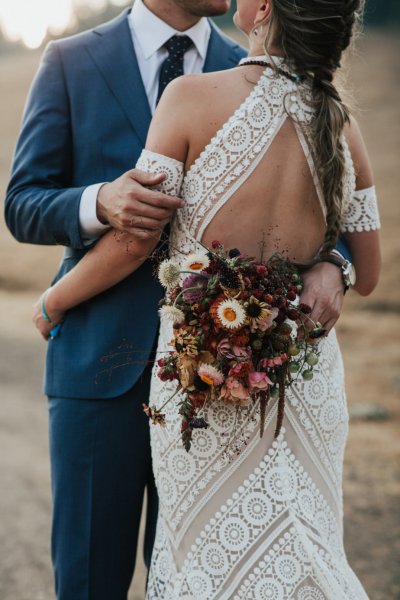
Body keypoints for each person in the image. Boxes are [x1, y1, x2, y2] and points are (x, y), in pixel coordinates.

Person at [6, 0, 360, 599]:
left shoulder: (257, 60)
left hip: (229, 387)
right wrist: (98, 202)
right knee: (89, 579)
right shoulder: (72, 60)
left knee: (198, 575)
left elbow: (339, 205)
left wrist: (334, 264)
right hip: (100, 365)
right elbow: (23, 202)